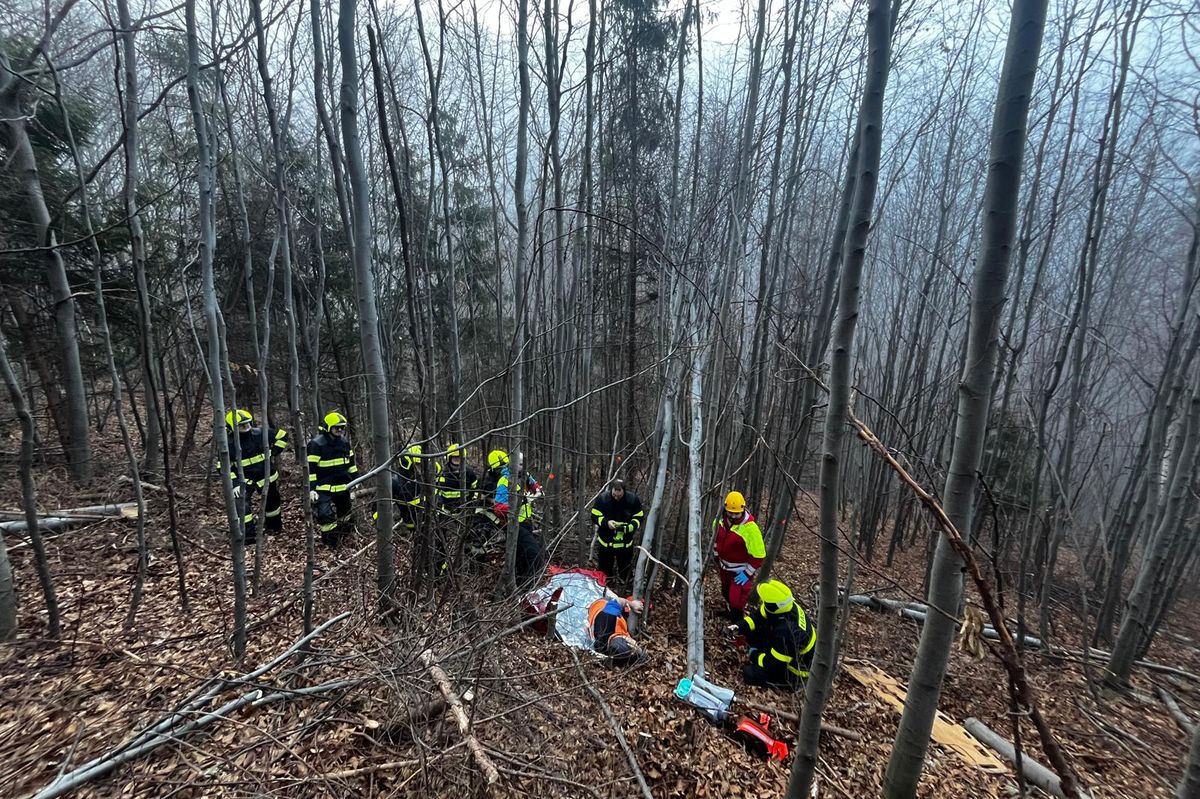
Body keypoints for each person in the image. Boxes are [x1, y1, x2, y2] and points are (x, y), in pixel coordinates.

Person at [731, 579, 815, 690]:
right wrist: (739, 626)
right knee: (757, 630)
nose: (762, 602)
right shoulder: (785, 607)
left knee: (749, 673)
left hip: (793, 672)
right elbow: (757, 618)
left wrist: (754, 655)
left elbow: (773, 665)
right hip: (785, 653)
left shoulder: (788, 632)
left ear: (774, 607)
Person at [220, 409, 289, 546]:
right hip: (244, 482)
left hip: (267, 477)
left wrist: (275, 450)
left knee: (273, 503)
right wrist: (234, 484)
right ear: (232, 427)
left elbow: (283, 435)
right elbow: (222, 467)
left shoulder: (261, 433)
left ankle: (274, 527)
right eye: (241, 425)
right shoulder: (228, 444)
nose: (246, 427)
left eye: (247, 423)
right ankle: (248, 537)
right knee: (242, 506)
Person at [486, 449, 546, 584]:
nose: (523, 467)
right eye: (520, 464)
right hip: (514, 525)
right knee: (534, 556)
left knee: (521, 558)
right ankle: (530, 585)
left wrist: (537, 491)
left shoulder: (526, 475)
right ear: (512, 465)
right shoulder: (504, 481)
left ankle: (521, 586)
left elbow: (536, 486)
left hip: (527, 522)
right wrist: (521, 502)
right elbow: (498, 508)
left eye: (523, 464)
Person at [306, 411, 359, 548]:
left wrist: (355, 482)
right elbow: (310, 469)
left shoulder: (345, 443)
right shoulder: (316, 445)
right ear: (328, 428)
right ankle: (331, 543)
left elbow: (351, 465)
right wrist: (311, 489)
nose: (340, 430)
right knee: (325, 515)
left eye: (342, 427)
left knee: (345, 513)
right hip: (323, 488)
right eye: (337, 427)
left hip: (343, 486)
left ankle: (345, 537)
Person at [713, 491, 765, 615]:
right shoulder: (719, 522)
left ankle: (737, 620)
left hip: (740, 572)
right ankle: (728, 610)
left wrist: (747, 573)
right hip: (724, 567)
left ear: (742, 510)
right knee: (725, 592)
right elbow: (715, 540)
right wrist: (716, 556)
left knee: (736, 599)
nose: (733, 516)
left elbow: (759, 555)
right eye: (730, 512)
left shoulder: (750, 529)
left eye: (736, 514)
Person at [590, 479, 645, 589]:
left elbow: (639, 516)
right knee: (604, 572)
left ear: (623, 491)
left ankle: (625, 590)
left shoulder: (632, 500)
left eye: (618, 496)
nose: (616, 498)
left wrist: (630, 527)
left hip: (625, 546)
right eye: (614, 495)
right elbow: (594, 515)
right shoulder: (603, 499)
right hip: (606, 545)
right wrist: (606, 523)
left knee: (625, 571)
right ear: (611, 490)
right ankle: (605, 589)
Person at [588, 595, 648, 665]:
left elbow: (617, 601)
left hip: (602, 603)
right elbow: (644, 659)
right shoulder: (603, 648)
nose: (632, 640)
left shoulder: (609, 617)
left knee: (624, 604)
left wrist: (632, 604)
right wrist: (638, 650)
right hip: (603, 613)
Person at [435, 443, 478, 513]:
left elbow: (475, 490)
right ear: (449, 458)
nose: (457, 460)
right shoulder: (443, 475)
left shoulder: (470, 473)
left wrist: (472, 505)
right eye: (455, 458)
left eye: (459, 457)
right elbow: (437, 495)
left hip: (466, 511)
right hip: (447, 512)